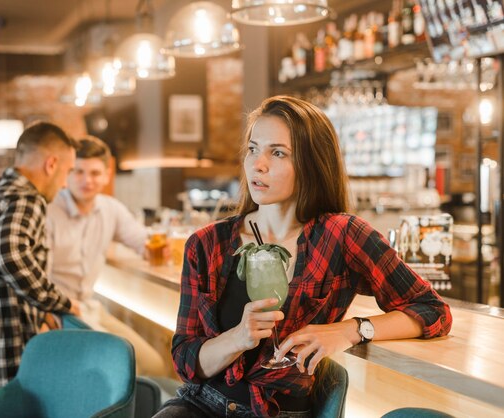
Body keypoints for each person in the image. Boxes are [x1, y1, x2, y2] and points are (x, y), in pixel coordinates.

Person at [155, 96, 452, 418]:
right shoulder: (207, 243)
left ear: (312, 163)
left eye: (278, 153)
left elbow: (433, 311)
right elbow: (186, 361)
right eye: (253, 149)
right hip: (202, 405)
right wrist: (238, 338)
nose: (258, 164)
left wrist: (351, 330)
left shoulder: (343, 235)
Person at [0, 121, 81, 415]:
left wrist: (39, 310)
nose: (64, 184)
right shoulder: (27, 199)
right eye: (68, 172)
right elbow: (8, 256)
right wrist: (61, 303)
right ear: (51, 164)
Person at [46, 135, 167, 377]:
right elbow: (39, 278)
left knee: (153, 365)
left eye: (94, 173)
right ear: (67, 173)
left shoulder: (110, 209)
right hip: (58, 314)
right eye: (78, 172)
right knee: (112, 369)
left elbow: (143, 241)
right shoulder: (48, 210)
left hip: (91, 308)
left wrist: (162, 245)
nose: (86, 180)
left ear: (107, 174)